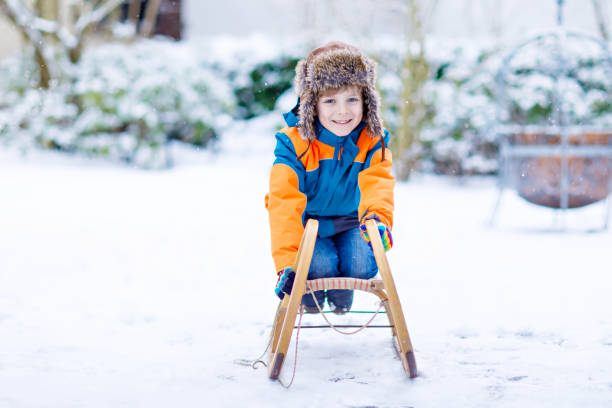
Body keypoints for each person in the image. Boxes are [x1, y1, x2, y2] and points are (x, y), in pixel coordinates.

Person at [265, 41, 394, 314]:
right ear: (312, 104)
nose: (342, 111)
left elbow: (378, 183)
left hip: (352, 223)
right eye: (330, 101)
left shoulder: (372, 141)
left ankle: (341, 290)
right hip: (309, 227)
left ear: (366, 101)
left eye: (352, 99)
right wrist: (287, 264)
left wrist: (377, 221)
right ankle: (311, 298)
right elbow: (283, 203)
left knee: (360, 262)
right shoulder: (294, 145)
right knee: (320, 265)